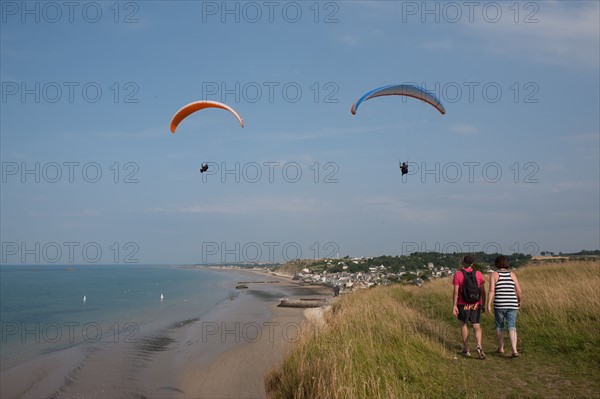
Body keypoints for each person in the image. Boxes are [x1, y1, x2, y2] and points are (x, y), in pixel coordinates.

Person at [487, 255, 522, 357]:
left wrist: (488, 304)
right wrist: (519, 301)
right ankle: (514, 350)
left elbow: (491, 290)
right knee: (512, 326)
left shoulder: (494, 274)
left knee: (499, 326)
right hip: (512, 303)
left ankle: (501, 347)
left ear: (497, 264)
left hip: (500, 303)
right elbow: (519, 291)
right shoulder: (512, 274)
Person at [452, 255, 486, 359]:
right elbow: (482, 291)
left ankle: (466, 349)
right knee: (476, 325)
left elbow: (456, 291)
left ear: (463, 262)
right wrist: (483, 304)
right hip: (476, 304)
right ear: (472, 263)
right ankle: (479, 345)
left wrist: (454, 305)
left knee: (464, 324)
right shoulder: (478, 274)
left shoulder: (458, 274)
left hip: (463, 304)